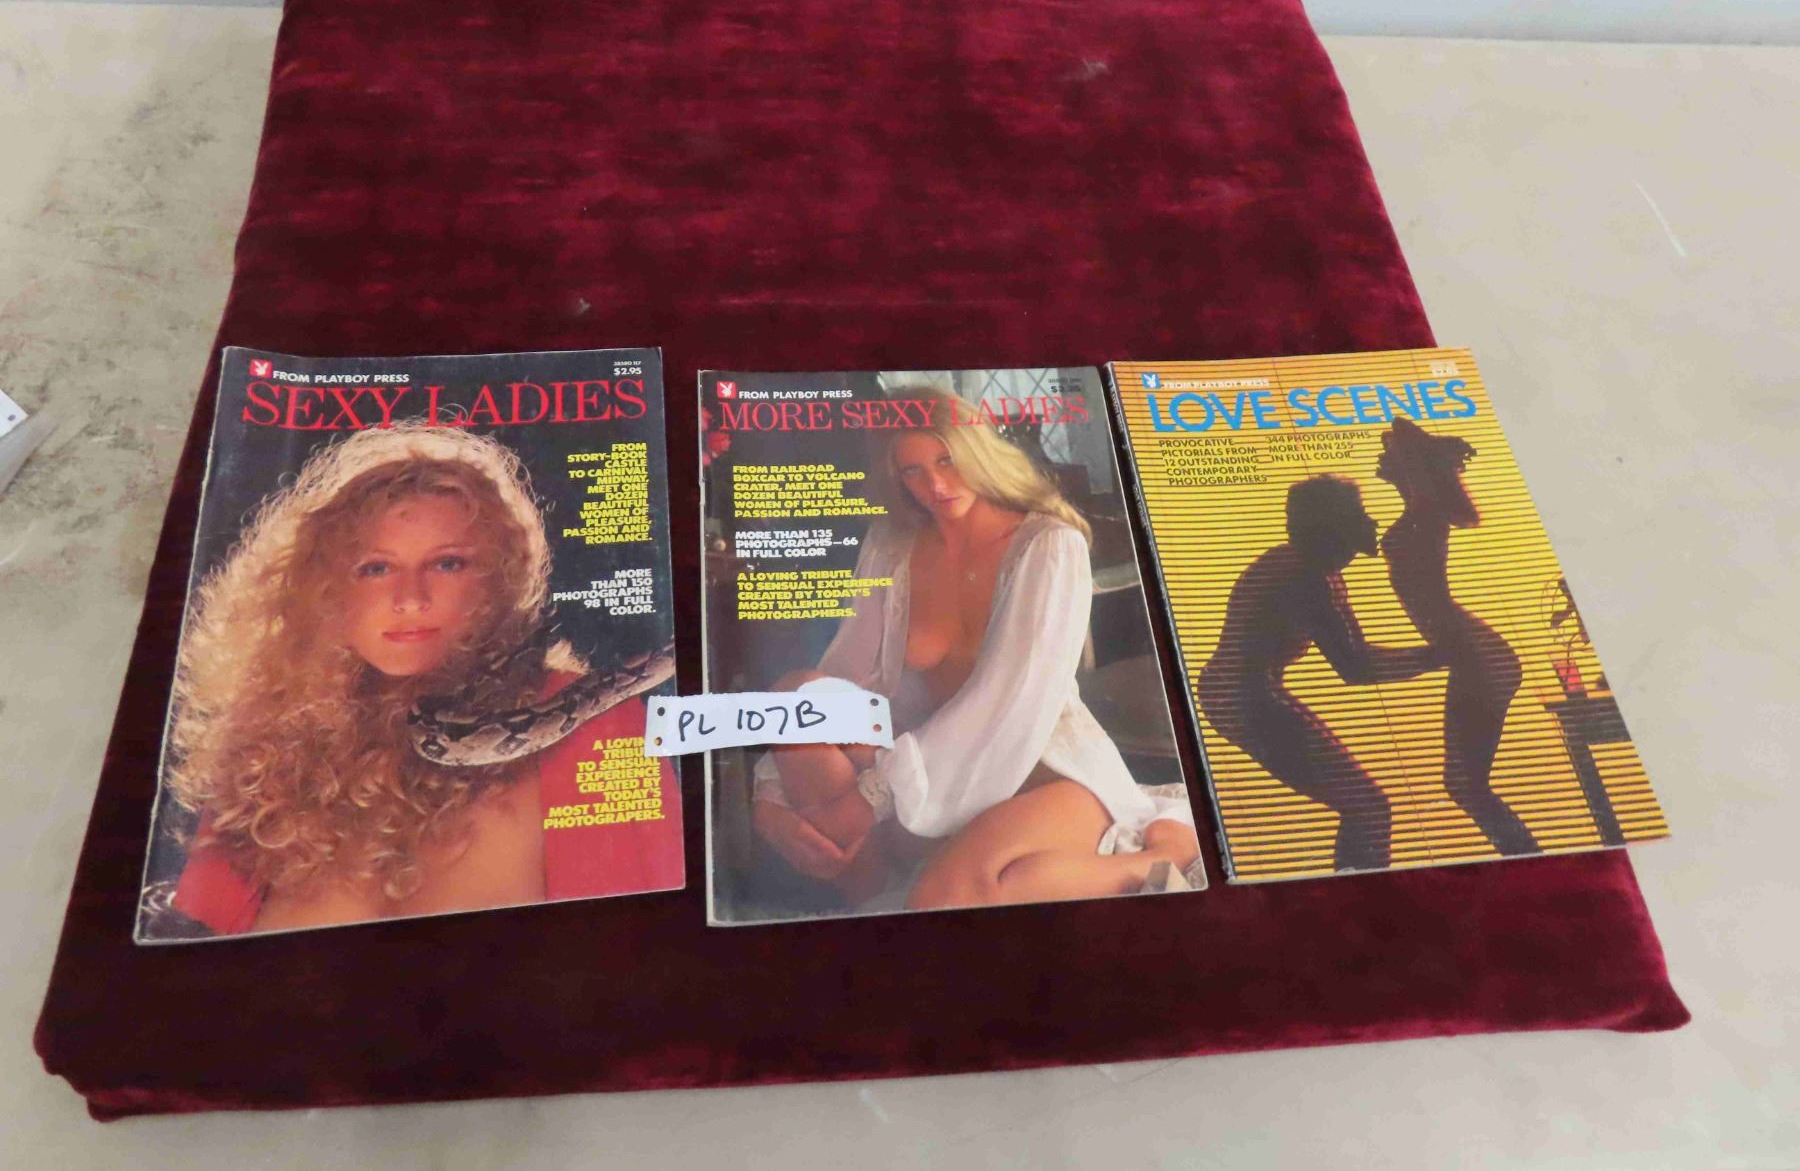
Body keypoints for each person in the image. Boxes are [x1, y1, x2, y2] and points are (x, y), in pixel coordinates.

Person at [157, 423, 674, 936]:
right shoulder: (264, 761)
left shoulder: (592, 723)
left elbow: (642, 941)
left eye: (447, 563)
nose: (410, 599)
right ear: (322, 586)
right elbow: (190, 952)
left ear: (498, 578)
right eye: (376, 568)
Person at [751, 388, 1200, 911]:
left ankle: (1159, 855)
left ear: (978, 450)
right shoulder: (892, 544)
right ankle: (868, 901)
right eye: (913, 470)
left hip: (1044, 774)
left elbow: (1009, 699)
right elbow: (849, 672)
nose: (936, 485)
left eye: (947, 459)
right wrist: (771, 798)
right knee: (798, 695)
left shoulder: (1050, 545)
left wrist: (868, 800)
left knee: (943, 896)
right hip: (928, 776)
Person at [1197, 474, 1442, 872]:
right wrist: (1441, 656)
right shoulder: (1304, 578)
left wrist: (1433, 656)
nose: (1372, 522)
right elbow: (1356, 667)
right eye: (1360, 514)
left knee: (1365, 807)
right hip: (1247, 700)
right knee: (1368, 807)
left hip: (1244, 695)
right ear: (1333, 527)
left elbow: (1357, 654)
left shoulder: (1319, 572)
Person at [1377, 416, 1540, 855]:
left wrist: (1415, 445)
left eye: (1388, 451)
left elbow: (1401, 426)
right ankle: (1523, 855)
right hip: (1474, 653)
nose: (1380, 454)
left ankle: (1525, 857)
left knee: (1466, 785)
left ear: (1411, 463)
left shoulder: (1425, 511)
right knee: (1464, 785)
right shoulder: (1420, 511)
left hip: (1476, 656)